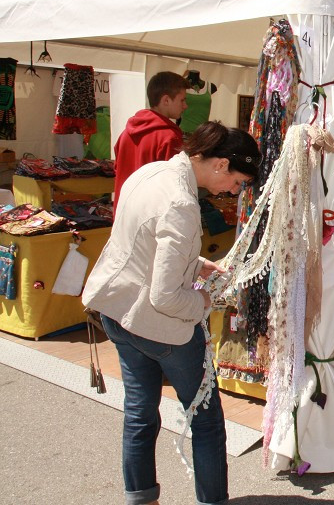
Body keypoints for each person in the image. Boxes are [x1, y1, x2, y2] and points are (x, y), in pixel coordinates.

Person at [83, 122, 261, 505]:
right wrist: (206, 302)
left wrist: (194, 263)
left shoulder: (151, 172)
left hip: (117, 311)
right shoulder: (182, 202)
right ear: (221, 165)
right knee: (207, 420)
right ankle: (212, 500)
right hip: (159, 326)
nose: (235, 191)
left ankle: (141, 498)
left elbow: (142, 240)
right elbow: (165, 297)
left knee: (140, 412)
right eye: (237, 181)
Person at [113, 71, 189, 213]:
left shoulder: (125, 134)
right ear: (166, 100)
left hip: (124, 215)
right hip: (149, 219)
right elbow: (173, 188)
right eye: (182, 100)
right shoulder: (169, 138)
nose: (185, 106)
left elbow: (118, 171)